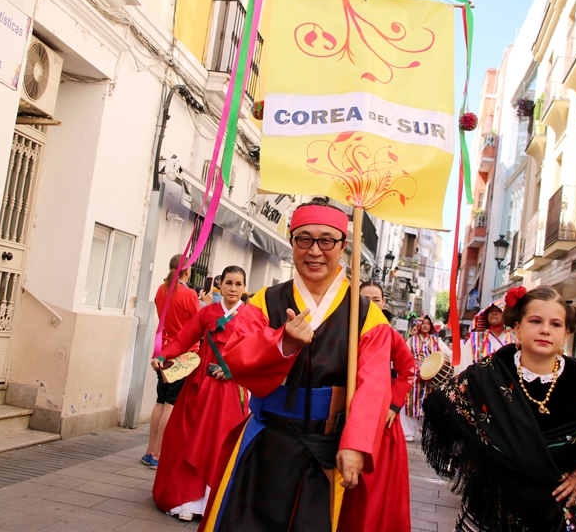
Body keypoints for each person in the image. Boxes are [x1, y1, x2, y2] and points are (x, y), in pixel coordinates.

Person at [198, 198, 392, 532]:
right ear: (292, 242)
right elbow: (235, 357)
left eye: (326, 240)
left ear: (343, 246)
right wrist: (281, 344)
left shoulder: (367, 316)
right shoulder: (265, 300)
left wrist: (356, 445)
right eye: (304, 238)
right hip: (265, 440)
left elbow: (374, 385)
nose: (315, 250)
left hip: (328, 450)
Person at [423, 285, 576, 532]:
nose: (545, 330)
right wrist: (480, 457)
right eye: (535, 321)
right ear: (517, 327)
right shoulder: (488, 373)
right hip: (492, 510)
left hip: (557, 514)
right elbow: (444, 408)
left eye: (555, 324)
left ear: (566, 334)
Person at [152, 266, 251, 521]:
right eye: (228, 283)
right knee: (186, 439)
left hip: (230, 390)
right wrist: (162, 355)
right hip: (201, 386)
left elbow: (257, 351)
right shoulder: (207, 312)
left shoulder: (251, 316)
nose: (233, 288)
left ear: (244, 287)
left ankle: (213, 502)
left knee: (220, 443)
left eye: (238, 284)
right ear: (220, 285)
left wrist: (234, 368)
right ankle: (188, 499)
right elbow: (183, 338)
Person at [337, 282, 415, 532]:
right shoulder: (343, 329)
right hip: (342, 414)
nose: (371, 302)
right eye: (364, 297)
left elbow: (408, 369)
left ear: (384, 303)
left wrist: (393, 405)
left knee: (373, 489)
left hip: (379, 422)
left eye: (377, 298)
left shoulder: (391, 335)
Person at [141, 254, 201, 469]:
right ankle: (158, 453)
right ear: (187, 270)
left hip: (163, 352)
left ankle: (149, 450)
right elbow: (198, 323)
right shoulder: (189, 294)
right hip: (183, 355)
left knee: (160, 400)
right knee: (171, 404)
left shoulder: (161, 289)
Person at [402, 315, 448, 441]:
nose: (425, 325)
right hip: (414, 375)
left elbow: (447, 354)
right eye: (423, 323)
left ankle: (425, 430)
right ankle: (409, 431)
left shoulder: (437, 341)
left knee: (428, 402)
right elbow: (404, 354)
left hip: (431, 376)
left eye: (428, 323)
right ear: (419, 325)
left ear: (431, 326)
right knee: (410, 401)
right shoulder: (411, 340)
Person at [456, 297, 516, 371]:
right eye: (491, 311)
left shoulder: (514, 341)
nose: (494, 313)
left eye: (498, 310)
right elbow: (464, 367)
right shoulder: (474, 339)